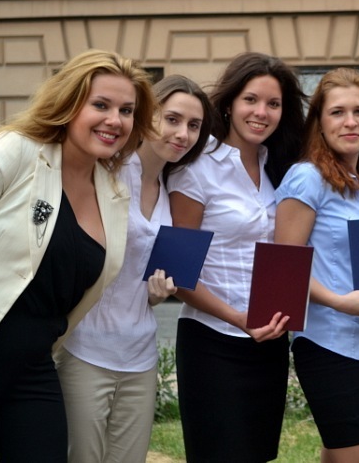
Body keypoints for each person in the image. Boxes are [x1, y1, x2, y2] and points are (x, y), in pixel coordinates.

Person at [0, 75, 212, 462]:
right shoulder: (40, 155)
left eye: (125, 110)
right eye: (101, 105)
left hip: (54, 360)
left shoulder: (135, 188)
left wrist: (154, 293)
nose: (183, 134)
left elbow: (111, 269)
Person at [55, 74, 213, 463]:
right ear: (147, 115)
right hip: (85, 349)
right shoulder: (105, 170)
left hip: (140, 353)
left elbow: (142, 272)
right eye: (172, 119)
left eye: (194, 125)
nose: (183, 134)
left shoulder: (173, 188)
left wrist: (158, 294)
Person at [167, 52, 305, 462]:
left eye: (273, 104)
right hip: (213, 342)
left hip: (269, 342)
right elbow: (177, 273)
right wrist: (238, 319)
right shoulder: (196, 168)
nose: (262, 112)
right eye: (251, 100)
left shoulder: (277, 166)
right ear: (229, 103)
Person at [274, 67, 359, 463]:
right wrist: (341, 302)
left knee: (338, 452)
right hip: (329, 344)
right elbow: (283, 265)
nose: (350, 122)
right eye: (337, 112)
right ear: (320, 123)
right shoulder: (306, 178)